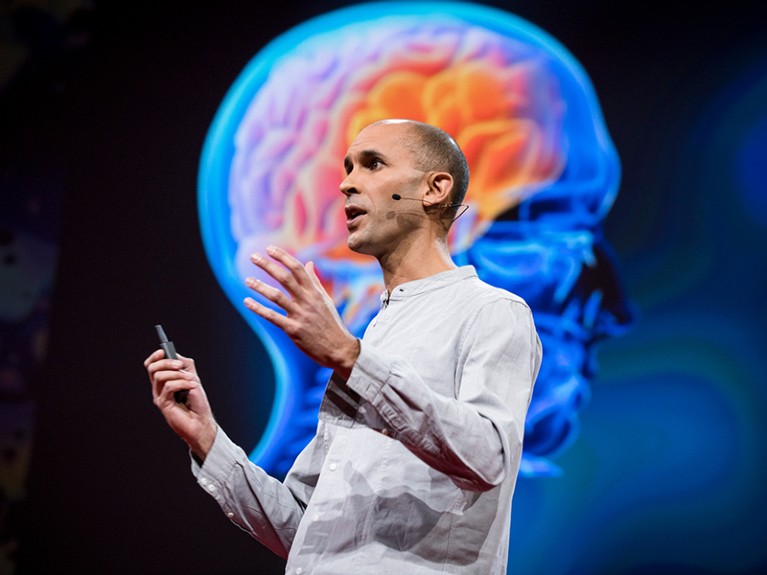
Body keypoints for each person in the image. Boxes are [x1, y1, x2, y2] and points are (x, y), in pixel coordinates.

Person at [144, 118, 542, 574]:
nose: (346, 183)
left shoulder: (492, 311)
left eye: (372, 164)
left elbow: (489, 458)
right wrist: (208, 440)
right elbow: (306, 529)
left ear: (434, 189)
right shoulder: (376, 334)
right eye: (347, 167)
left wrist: (352, 359)